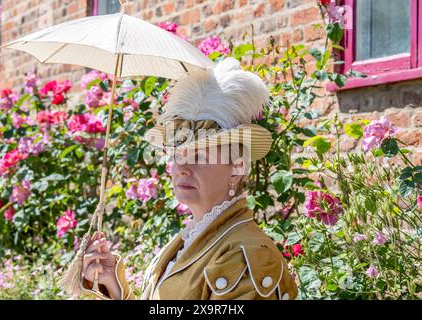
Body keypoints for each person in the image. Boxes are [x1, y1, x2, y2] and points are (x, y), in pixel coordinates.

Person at [80, 57, 298, 300]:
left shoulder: (245, 254)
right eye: (178, 154)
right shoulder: (190, 240)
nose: (182, 167)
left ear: (236, 169)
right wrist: (114, 287)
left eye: (199, 156)